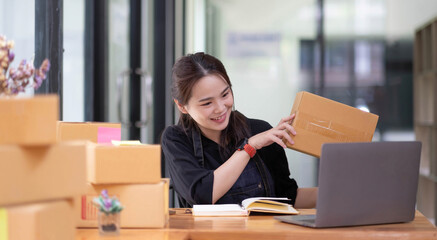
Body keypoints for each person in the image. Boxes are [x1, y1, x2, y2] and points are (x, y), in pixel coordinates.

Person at [161, 52, 317, 208]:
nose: (220, 108)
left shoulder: (260, 131)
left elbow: (288, 197)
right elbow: (202, 195)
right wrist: (249, 147)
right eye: (207, 103)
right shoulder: (176, 139)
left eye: (225, 94)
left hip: (264, 233)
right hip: (206, 233)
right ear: (182, 106)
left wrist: (336, 193)